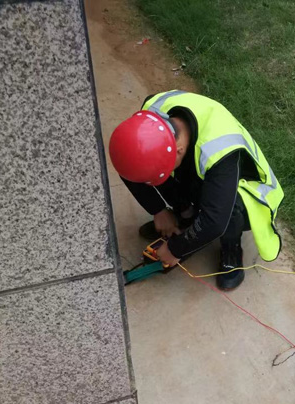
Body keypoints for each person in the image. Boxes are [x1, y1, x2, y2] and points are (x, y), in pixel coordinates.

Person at [109, 90, 283, 290]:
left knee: (230, 208)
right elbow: (129, 166)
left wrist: (175, 249)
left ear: (179, 150)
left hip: (245, 190)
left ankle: (231, 248)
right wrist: (158, 210)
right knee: (142, 165)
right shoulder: (152, 114)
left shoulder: (220, 148)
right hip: (203, 173)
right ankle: (187, 215)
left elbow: (215, 221)